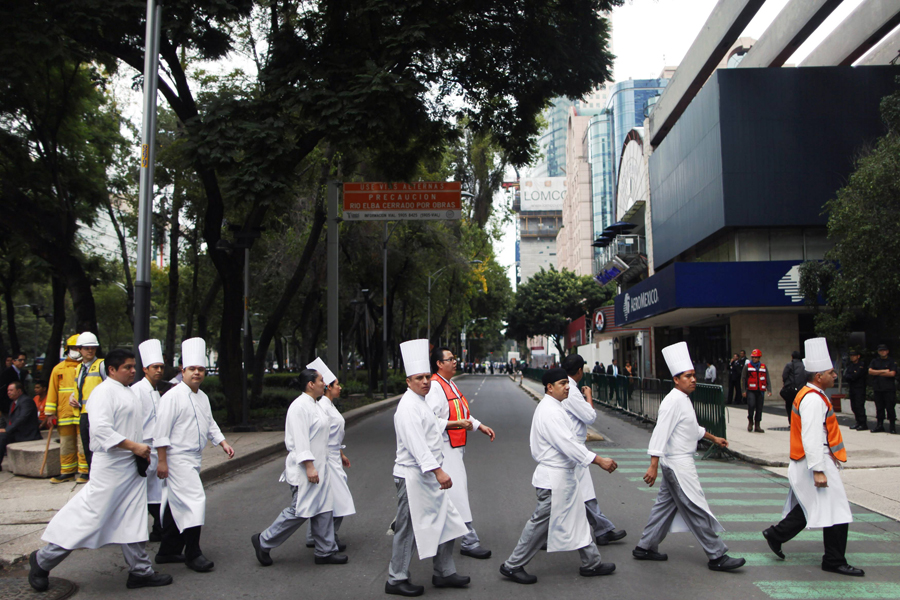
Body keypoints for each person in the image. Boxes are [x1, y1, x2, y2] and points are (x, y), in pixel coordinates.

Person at [28, 349, 173, 592]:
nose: (133, 370)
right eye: (127, 367)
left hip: (131, 465)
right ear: (113, 370)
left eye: (133, 366)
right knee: (89, 518)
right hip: (111, 468)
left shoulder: (128, 392)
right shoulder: (103, 393)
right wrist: (134, 446)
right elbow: (101, 431)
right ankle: (43, 559)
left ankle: (140, 570)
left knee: (133, 518)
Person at [633, 342, 744, 572]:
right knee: (695, 508)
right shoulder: (673, 402)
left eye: (694, 375)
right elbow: (660, 433)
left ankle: (645, 546)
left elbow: (692, 429)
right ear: (676, 379)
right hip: (677, 464)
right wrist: (653, 464)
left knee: (664, 507)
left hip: (677, 463)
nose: (693, 379)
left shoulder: (683, 399)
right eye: (688, 376)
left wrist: (714, 438)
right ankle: (717, 555)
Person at [500, 367, 617, 585]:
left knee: (578, 518)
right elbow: (568, 444)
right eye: (562, 383)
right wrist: (598, 460)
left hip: (562, 477)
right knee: (538, 526)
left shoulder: (554, 407)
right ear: (549, 388)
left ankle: (591, 563)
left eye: (567, 382)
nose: (567, 387)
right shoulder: (550, 411)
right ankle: (512, 565)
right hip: (554, 480)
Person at [762, 338, 865, 577]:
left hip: (813, 461)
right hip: (815, 462)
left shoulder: (812, 395)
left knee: (817, 506)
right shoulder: (812, 398)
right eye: (831, 373)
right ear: (819, 376)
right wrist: (819, 468)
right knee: (837, 509)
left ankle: (777, 534)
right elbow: (811, 436)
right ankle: (833, 560)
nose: (835, 376)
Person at [385, 339, 470, 597]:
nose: (425, 381)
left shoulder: (421, 403)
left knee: (449, 521)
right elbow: (417, 446)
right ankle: (396, 578)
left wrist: (461, 423)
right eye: (418, 377)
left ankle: (444, 572)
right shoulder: (407, 407)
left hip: (428, 475)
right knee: (408, 529)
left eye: (426, 377)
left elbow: (436, 424)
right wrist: (438, 471)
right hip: (413, 477)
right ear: (408, 381)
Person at [154, 337, 235, 572]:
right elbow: (161, 432)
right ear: (183, 370)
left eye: (200, 369)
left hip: (193, 457)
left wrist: (222, 442)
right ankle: (193, 553)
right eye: (192, 369)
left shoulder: (203, 397)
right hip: (177, 457)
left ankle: (167, 550)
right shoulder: (171, 396)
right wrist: (162, 461)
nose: (197, 373)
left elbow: (210, 423)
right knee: (195, 501)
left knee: (174, 503)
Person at [252, 367, 346, 567]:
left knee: (324, 508)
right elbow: (300, 440)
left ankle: (325, 550)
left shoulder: (316, 405)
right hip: (306, 469)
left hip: (321, 466)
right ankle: (264, 540)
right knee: (299, 510)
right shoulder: (299, 407)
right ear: (311, 384)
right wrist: (309, 466)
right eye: (321, 380)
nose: (324, 383)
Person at [426, 347, 495, 560]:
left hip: (455, 448)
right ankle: (469, 540)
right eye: (450, 359)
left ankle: (447, 536)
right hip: (444, 449)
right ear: (439, 363)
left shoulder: (450, 384)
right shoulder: (436, 387)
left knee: (451, 496)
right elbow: (430, 421)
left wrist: (479, 425)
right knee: (457, 495)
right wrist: (456, 423)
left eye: (454, 359)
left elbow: (463, 413)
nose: (454, 362)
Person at [560, 354, 626, 546]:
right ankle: (601, 529)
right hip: (573, 446)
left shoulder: (565, 388)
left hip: (573, 445)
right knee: (565, 495)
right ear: (580, 371)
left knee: (583, 492)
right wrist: (589, 396)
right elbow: (590, 416)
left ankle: (602, 529)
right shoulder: (571, 390)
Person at [302, 357, 356, 554]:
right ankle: (327, 536)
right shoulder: (323, 407)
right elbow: (321, 434)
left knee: (329, 499)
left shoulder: (329, 405)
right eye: (336, 384)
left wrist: (340, 453)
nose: (339, 387)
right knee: (338, 499)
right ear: (327, 388)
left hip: (333, 455)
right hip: (326, 457)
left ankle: (318, 536)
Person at [132, 339, 166, 542]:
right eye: (155, 367)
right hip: (143, 447)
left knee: (156, 490)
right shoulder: (137, 390)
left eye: (161, 367)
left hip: (157, 448)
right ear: (145, 369)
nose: (159, 371)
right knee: (145, 491)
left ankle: (158, 527)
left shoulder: (155, 390)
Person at [45, 335, 88, 483]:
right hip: (64, 414)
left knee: (83, 443)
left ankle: (85, 471)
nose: (76, 351)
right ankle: (67, 471)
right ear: (67, 350)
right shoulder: (58, 369)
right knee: (66, 445)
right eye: (73, 348)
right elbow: (52, 391)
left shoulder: (87, 367)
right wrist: (49, 413)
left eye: (78, 348)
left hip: (82, 412)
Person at [72, 332, 107, 477]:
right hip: (84, 413)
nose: (90, 350)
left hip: (98, 413)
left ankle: (98, 475)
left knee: (98, 447)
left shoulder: (101, 365)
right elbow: (80, 388)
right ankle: (92, 474)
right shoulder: (79, 368)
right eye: (86, 348)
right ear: (79, 349)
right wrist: (72, 397)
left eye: (92, 347)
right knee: (87, 446)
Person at [0, 381, 43, 469]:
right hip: (16, 432)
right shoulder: (13, 403)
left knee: (2, 437)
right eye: (8, 390)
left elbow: (22, 418)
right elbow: (10, 420)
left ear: (19, 391)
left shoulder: (26, 401)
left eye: (11, 390)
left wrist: (7, 430)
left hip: (26, 434)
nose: (8, 392)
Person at [867, 344, 897, 433]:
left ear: (887, 351)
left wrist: (877, 372)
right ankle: (879, 425)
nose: (882, 352)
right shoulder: (875, 361)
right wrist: (884, 371)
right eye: (881, 350)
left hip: (889, 389)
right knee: (879, 408)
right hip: (878, 388)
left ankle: (892, 427)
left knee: (890, 408)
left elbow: (892, 374)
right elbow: (870, 371)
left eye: (884, 350)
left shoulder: (891, 361)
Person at [741, 349, 771, 433]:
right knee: (751, 405)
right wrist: (743, 390)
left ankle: (757, 425)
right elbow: (743, 378)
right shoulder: (747, 366)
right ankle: (750, 421)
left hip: (760, 390)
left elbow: (767, 378)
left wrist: (769, 389)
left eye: (756, 357)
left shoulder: (763, 366)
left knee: (759, 408)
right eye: (753, 357)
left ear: (759, 358)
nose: (754, 359)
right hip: (751, 390)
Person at [0, 351, 26, 427]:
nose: (23, 362)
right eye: (20, 360)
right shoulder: (7, 373)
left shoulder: (22, 373)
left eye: (24, 360)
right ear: (14, 361)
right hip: (7, 404)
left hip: (17, 403)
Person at [843, 349, 868, 430]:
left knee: (859, 405)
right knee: (854, 406)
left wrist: (851, 376)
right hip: (852, 388)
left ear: (858, 356)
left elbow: (856, 375)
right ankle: (858, 422)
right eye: (851, 356)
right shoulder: (850, 366)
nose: (852, 357)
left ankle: (863, 423)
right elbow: (846, 376)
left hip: (859, 388)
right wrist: (851, 376)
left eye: (854, 356)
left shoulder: (861, 365)